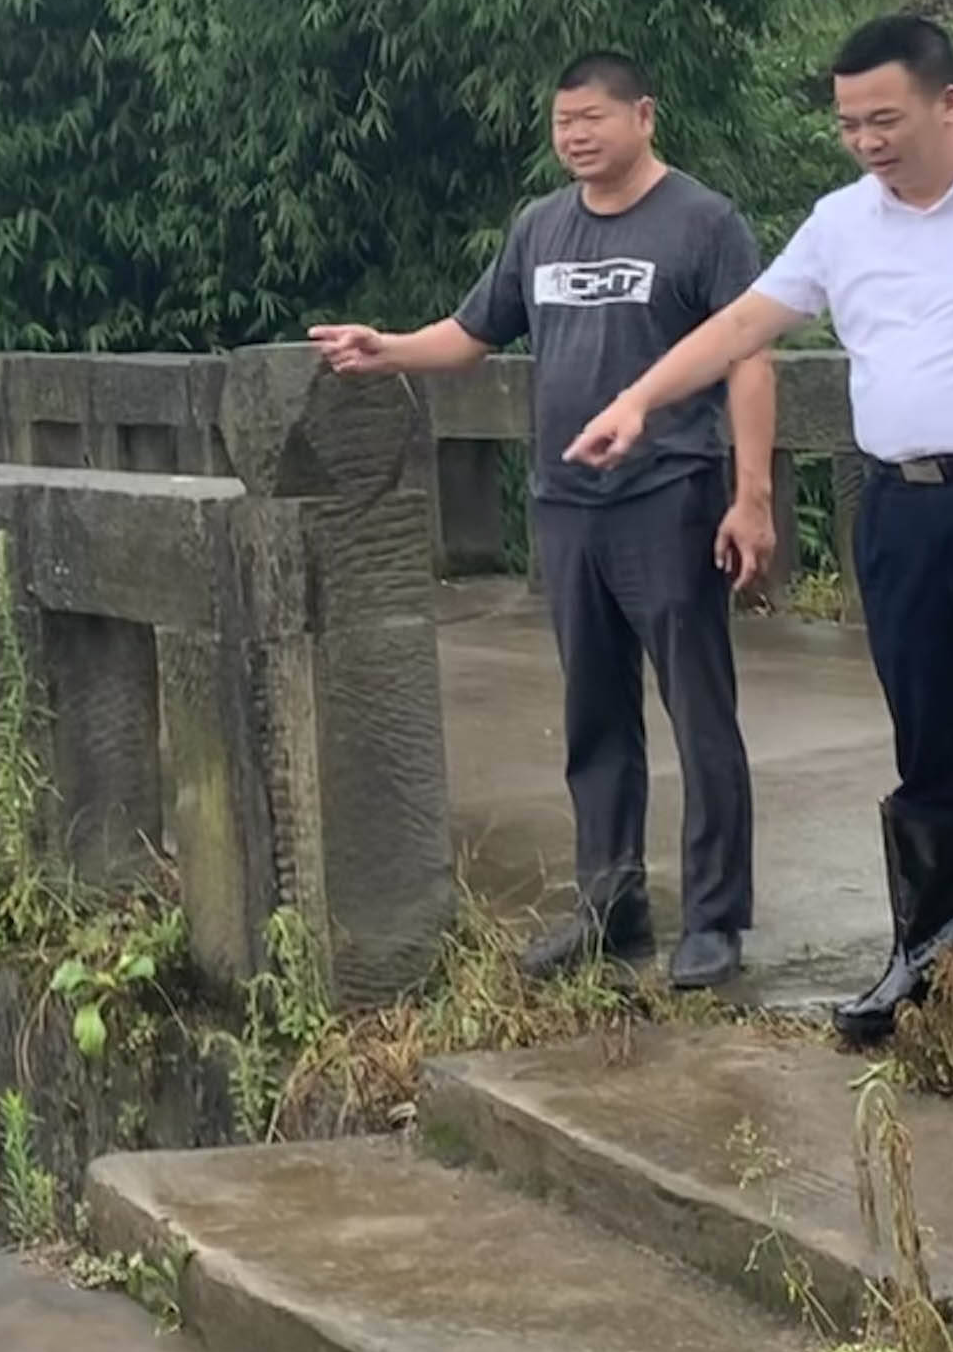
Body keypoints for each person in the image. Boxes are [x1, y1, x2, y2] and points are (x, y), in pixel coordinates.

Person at [570, 16, 953, 1057]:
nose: (866, 141)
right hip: (899, 508)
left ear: (949, 103)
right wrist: (641, 397)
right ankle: (924, 961)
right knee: (926, 740)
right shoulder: (842, 222)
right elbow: (743, 326)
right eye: (849, 123)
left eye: (883, 119)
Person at [309, 52, 776, 989]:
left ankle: (716, 920)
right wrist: (387, 348)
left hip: (670, 494)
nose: (575, 136)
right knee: (593, 716)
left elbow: (750, 361)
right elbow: (474, 332)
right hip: (566, 508)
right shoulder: (541, 227)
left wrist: (751, 495)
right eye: (562, 122)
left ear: (644, 115)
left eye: (593, 118)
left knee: (699, 711)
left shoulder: (704, 222)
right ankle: (610, 907)